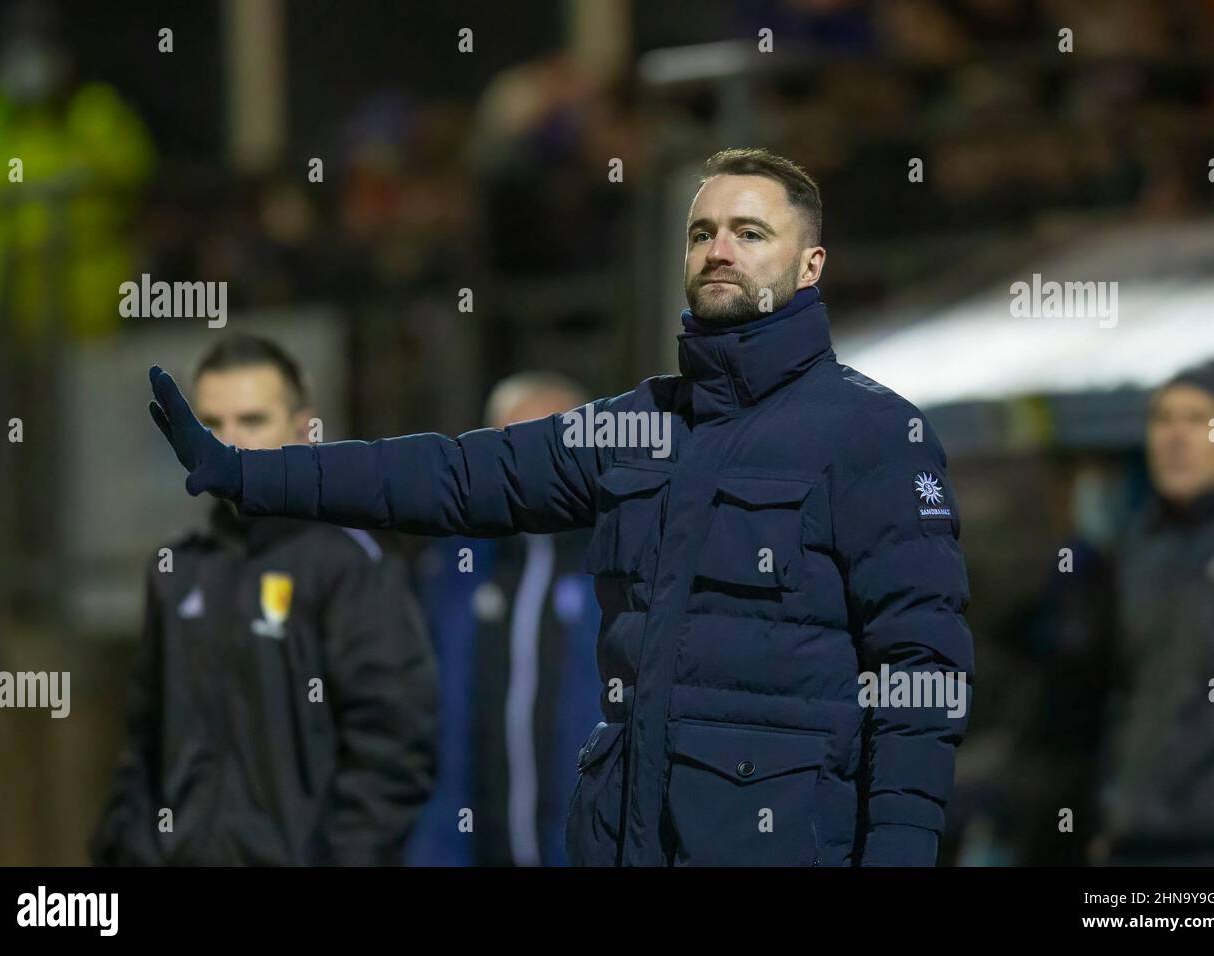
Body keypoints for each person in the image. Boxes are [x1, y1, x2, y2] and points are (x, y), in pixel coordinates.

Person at [146, 148, 975, 867]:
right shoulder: (636, 427)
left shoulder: (873, 435)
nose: (720, 249)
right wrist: (248, 474)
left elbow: (922, 676)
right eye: (702, 232)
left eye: (750, 233)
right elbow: (450, 476)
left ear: (810, 265)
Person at [93, 334, 437, 865]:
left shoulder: (349, 565)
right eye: (211, 424)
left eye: (252, 421)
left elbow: (394, 750)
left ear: (304, 426)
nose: (228, 443)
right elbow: (142, 743)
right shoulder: (178, 568)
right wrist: (129, 848)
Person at [405, 371, 604, 867]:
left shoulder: (629, 565)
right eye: (511, 447)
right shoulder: (451, 568)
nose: (534, 469)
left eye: (555, 445)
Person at [1095, 358, 1214, 866]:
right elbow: (1117, 691)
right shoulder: (1138, 544)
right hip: (1136, 839)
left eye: (1198, 420)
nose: (1176, 437)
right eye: (1163, 420)